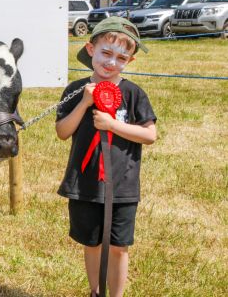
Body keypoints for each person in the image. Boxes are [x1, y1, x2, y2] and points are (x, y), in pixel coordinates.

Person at [55, 17, 157, 297]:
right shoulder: (75, 90)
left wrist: (114, 125)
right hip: (85, 183)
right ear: (90, 49)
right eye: (106, 53)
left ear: (130, 61)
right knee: (92, 242)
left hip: (122, 185)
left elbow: (149, 135)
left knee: (118, 246)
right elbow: (62, 132)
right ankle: (95, 291)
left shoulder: (133, 94)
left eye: (121, 57)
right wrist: (85, 103)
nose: (112, 62)